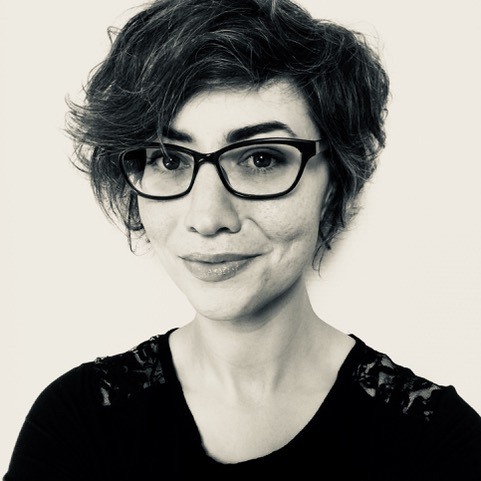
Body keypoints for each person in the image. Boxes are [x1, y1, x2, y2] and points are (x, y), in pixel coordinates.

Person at [4, 0, 481, 479]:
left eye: (260, 159)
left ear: (335, 185)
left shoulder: (437, 442)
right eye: (169, 159)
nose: (208, 217)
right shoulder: (77, 422)